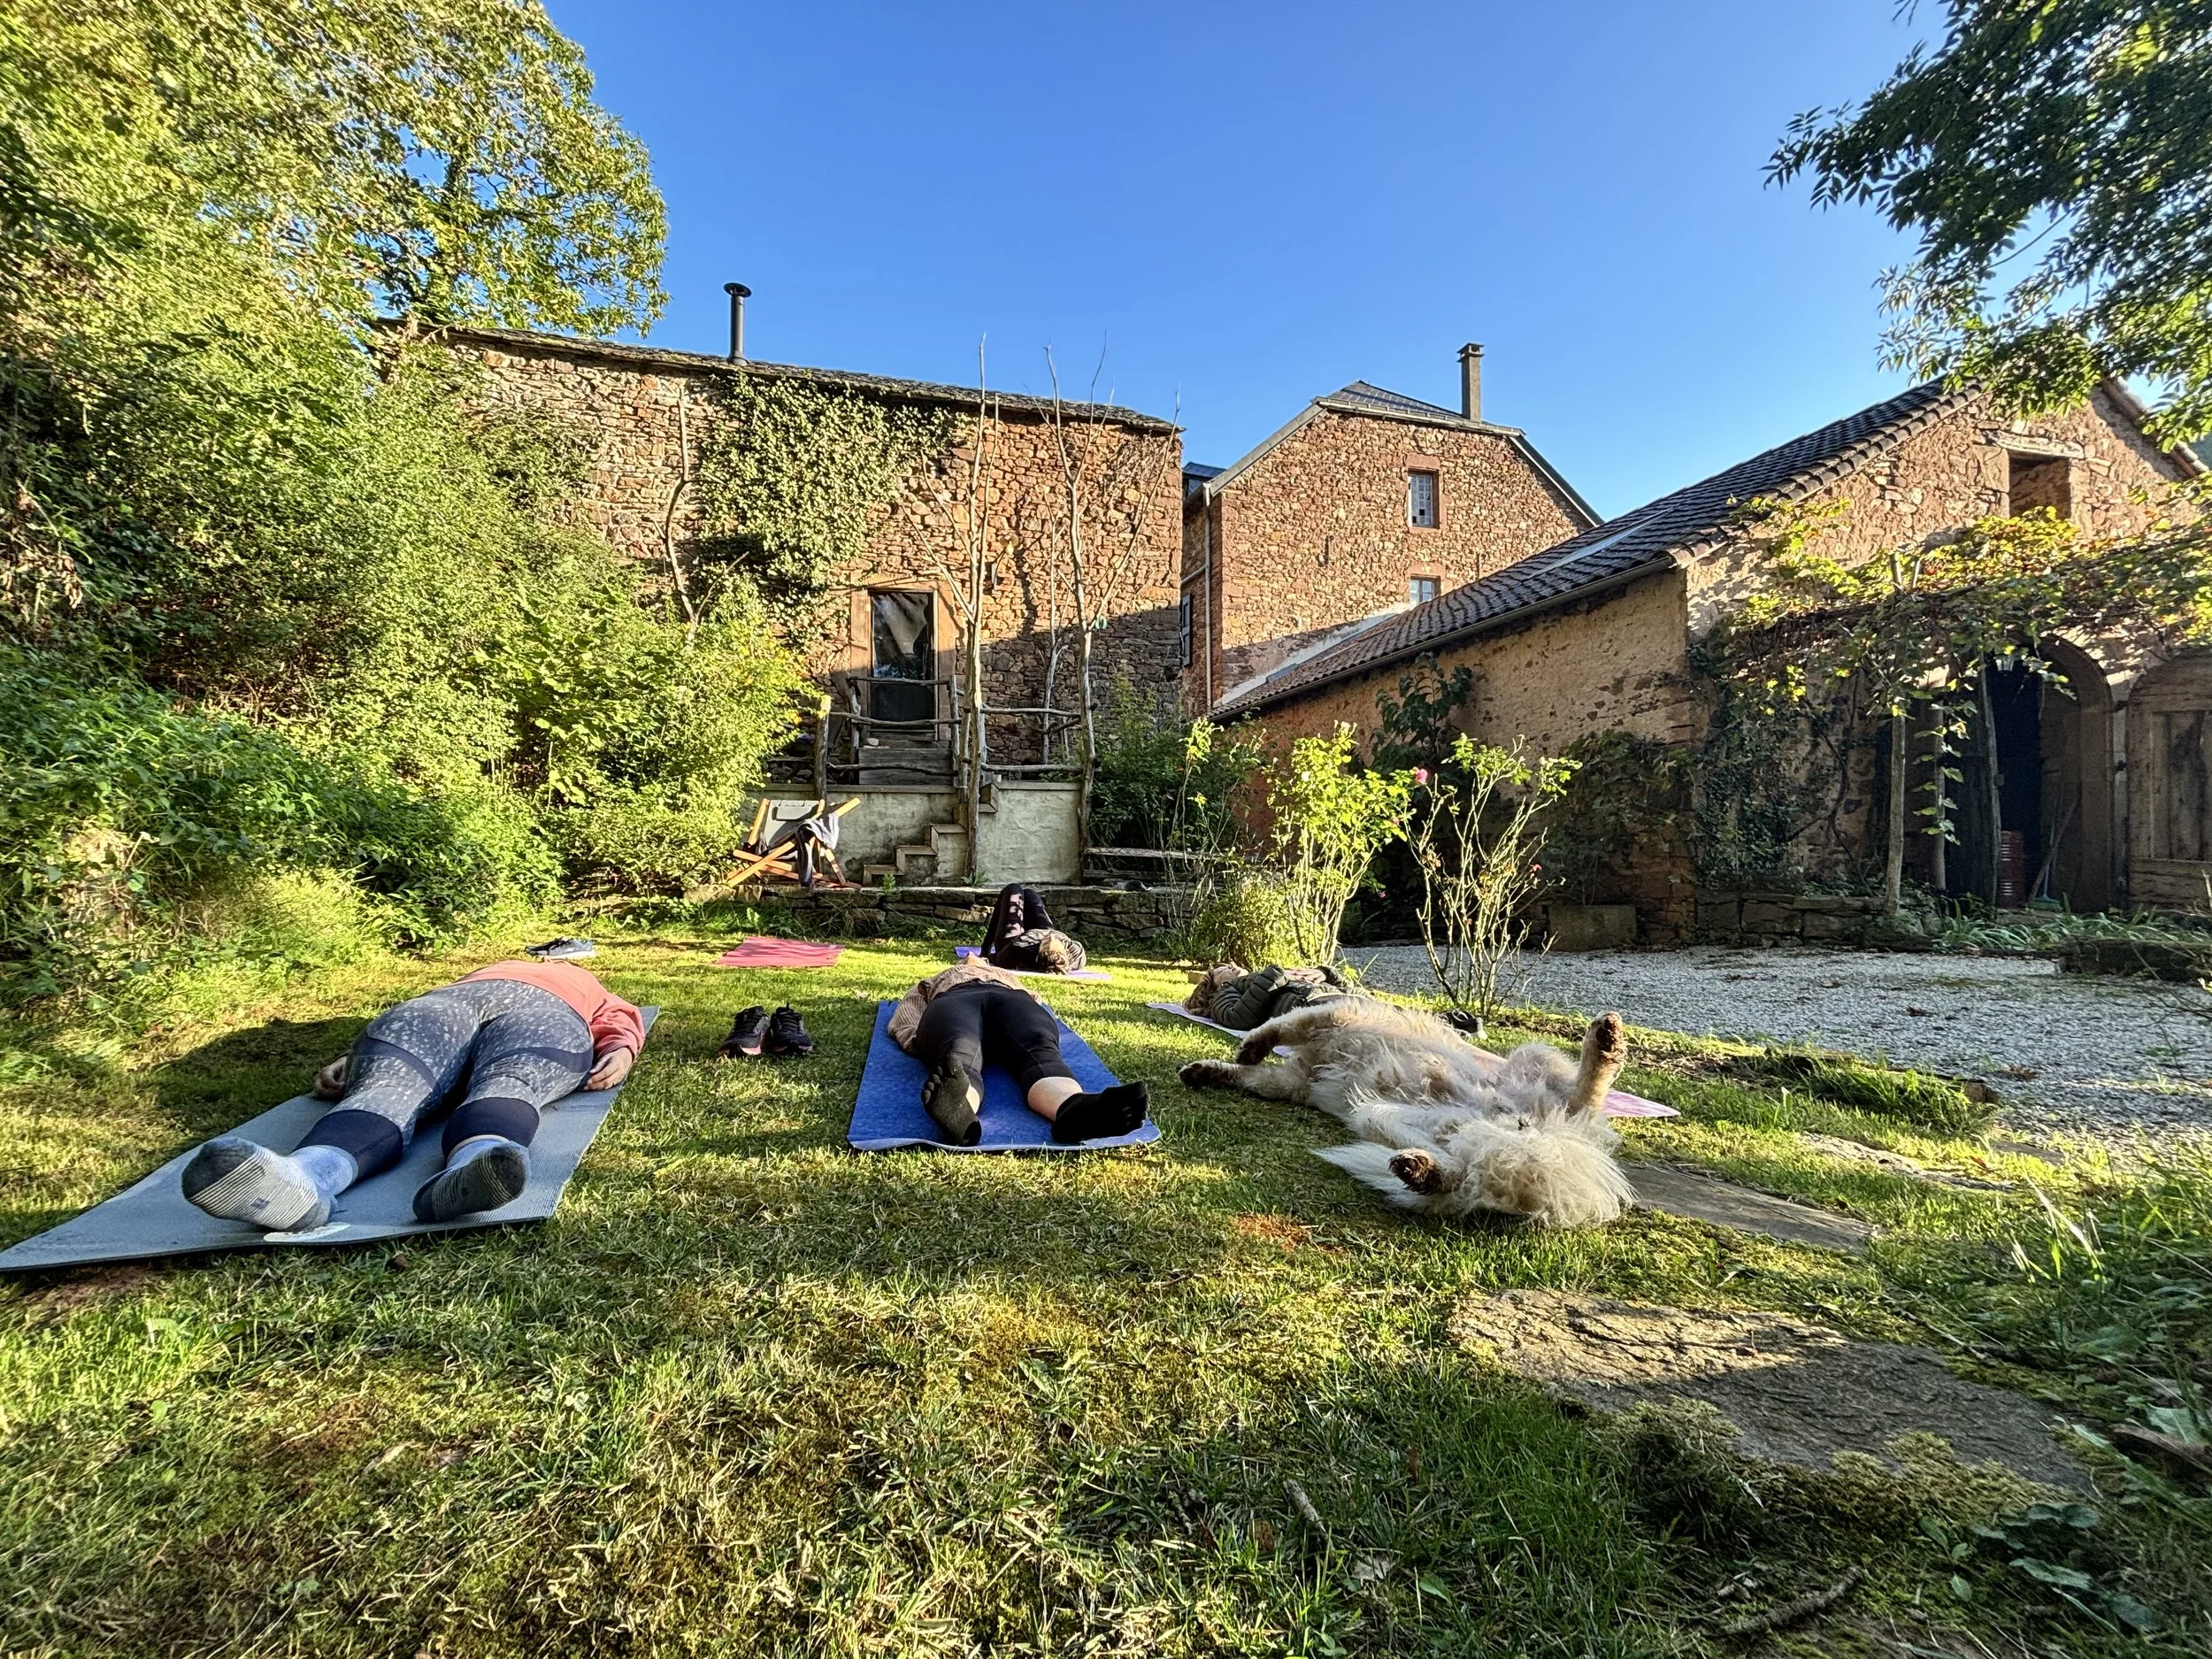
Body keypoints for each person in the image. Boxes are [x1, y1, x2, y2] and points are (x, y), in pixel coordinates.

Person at [180, 959, 645, 1232]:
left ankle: (310, 1175)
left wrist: (621, 1049)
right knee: (508, 1082)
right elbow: (621, 1017)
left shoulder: (544, 976)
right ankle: (474, 1159)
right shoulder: (574, 980)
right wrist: (622, 1048)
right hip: (506, 1009)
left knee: (395, 1087)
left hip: (464, 1008)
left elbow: (620, 1019)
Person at [887, 958, 1145, 1147]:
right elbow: (909, 1008)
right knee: (958, 1053)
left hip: (1012, 999)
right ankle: (960, 1112)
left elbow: (1035, 1001)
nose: (972, 958)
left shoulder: (1006, 975)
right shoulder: (935, 979)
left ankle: (1072, 1108)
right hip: (955, 999)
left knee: (1039, 1047)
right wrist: (918, 1039)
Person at [979, 882, 1087, 974]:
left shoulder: (1018, 949)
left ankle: (984, 947)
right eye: (1056, 943)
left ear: (1037, 954)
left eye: (1045, 944)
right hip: (1042, 930)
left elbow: (996, 958)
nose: (1051, 938)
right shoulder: (1076, 954)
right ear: (1065, 952)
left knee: (1013, 889)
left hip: (1011, 940)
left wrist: (985, 955)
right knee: (1030, 894)